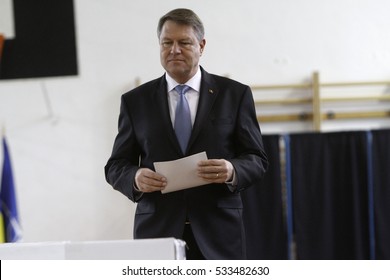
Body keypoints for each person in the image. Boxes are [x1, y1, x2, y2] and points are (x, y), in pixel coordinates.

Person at [105, 8, 268, 260]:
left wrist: (231, 170)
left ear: (201, 46)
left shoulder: (234, 95)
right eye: (167, 43)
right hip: (157, 233)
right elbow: (115, 166)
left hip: (219, 233)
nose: (174, 50)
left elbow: (257, 158)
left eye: (184, 42)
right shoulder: (135, 101)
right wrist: (135, 177)